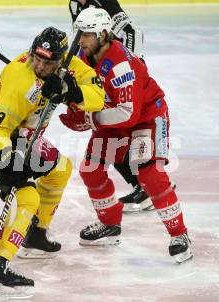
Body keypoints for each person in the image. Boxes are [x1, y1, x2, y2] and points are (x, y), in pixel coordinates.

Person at [0, 27, 105, 297]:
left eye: (48, 62)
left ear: (61, 59)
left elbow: (98, 97)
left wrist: (71, 91)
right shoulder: (20, 81)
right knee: (25, 197)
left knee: (60, 170)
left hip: (25, 131)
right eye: (37, 58)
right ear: (32, 52)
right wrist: (6, 162)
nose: (41, 66)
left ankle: (35, 235)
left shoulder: (70, 67)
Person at [60, 7, 193, 263]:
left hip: (144, 117)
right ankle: (110, 224)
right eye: (79, 33)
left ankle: (179, 235)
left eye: (86, 34)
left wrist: (89, 118)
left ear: (103, 34)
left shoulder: (121, 64)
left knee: (149, 174)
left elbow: (128, 114)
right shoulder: (81, 55)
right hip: (114, 117)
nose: (81, 39)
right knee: (91, 169)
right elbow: (75, 88)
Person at [69, 0, 153, 212]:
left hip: (121, 72)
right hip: (101, 72)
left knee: (122, 126)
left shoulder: (103, 2)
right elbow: (78, 40)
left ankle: (149, 185)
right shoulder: (73, 5)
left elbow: (132, 31)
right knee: (110, 132)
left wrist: (131, 60)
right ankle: (142, 186)